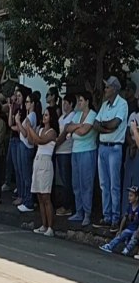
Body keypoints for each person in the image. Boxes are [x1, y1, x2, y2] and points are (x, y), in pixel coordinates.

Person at [93, 76, 129, 232]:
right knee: (104, 184)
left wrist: (105, 126)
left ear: (114, 88)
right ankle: (106, 216)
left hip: (115, 147)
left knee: (114, 184)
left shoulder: (122, 104)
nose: (105, 90)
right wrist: (107, 128)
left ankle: (115, 218)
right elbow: (96, 124)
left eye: (107, 87)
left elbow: (116, 124)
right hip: (103, 146)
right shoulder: (105, 105)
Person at [64, 91, 98, 227]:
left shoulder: (92, 115)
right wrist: (78, 126)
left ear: (87, 102)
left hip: (87, 151)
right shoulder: (78, 115)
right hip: (76, 151)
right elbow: (68, 127)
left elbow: (84, 132)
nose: (79, 103)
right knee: (76, 183)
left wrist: (75, 128)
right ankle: (79, 211)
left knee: (86, 184)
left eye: (81, 100)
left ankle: (87, 213)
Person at [30, 108, 58, 236]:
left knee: (46, 196)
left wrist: (30, 129)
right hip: (38, 160)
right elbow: (33, 140)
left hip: (46, 161)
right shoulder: (40, 130)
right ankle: (44, 224)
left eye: (46, 115)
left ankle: (50, 227)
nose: (44, 117)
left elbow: (41, 140)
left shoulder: (52, 132)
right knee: (39, 196)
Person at [99, 186, 139, 255]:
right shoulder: (129, 206)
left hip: (136, 229)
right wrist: (120, 230)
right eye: (129, 195)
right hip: (129, 228)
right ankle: (110, 246)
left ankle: (127, 249)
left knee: (134, 238)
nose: (129, 197)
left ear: (137, 197)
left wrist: (138, 231)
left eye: (131, 196)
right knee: (121, 235)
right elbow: (124, 218)